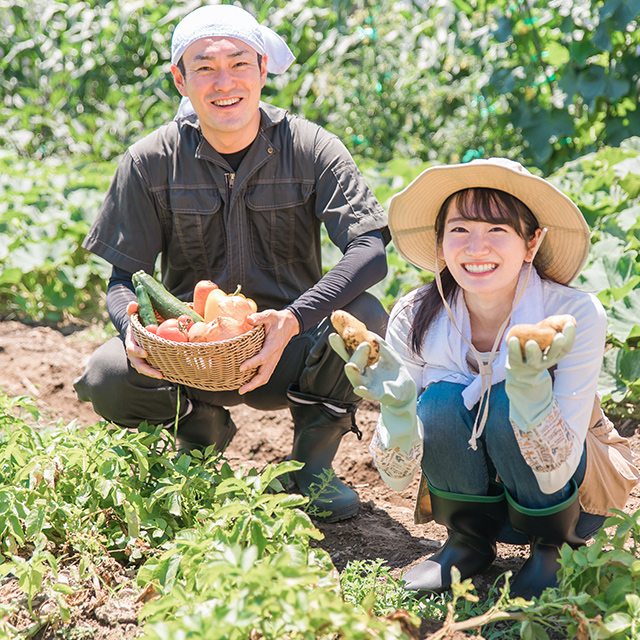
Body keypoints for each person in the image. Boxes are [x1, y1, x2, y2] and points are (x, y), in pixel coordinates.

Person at [73, 4, 390, 524]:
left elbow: (369, 251)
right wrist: (129, 325)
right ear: (180, 78)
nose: (225, 81)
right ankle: (200, 437)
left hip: (288, 351)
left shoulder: (311, 148)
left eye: (239, 63)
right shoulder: (150, 161)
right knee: (107, 371)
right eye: (204, 66)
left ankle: (310, 468)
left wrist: (292, 319)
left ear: (263, 69)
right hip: (189, 355)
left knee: (367, 319)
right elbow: (124, 277)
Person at [330, 158, 639, 598]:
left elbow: (558, 472)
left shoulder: (575, 314)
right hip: (474, 496)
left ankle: (553, 552)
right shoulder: (415, 317)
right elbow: (398, 480)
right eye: (459, 231)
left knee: (505, 403)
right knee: (437, 402)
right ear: (440, 245)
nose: (477, 248)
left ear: (531, 243)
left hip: (569, 497)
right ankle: (467, 543)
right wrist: (398, 411)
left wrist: (530, 397)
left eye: (498, 230)